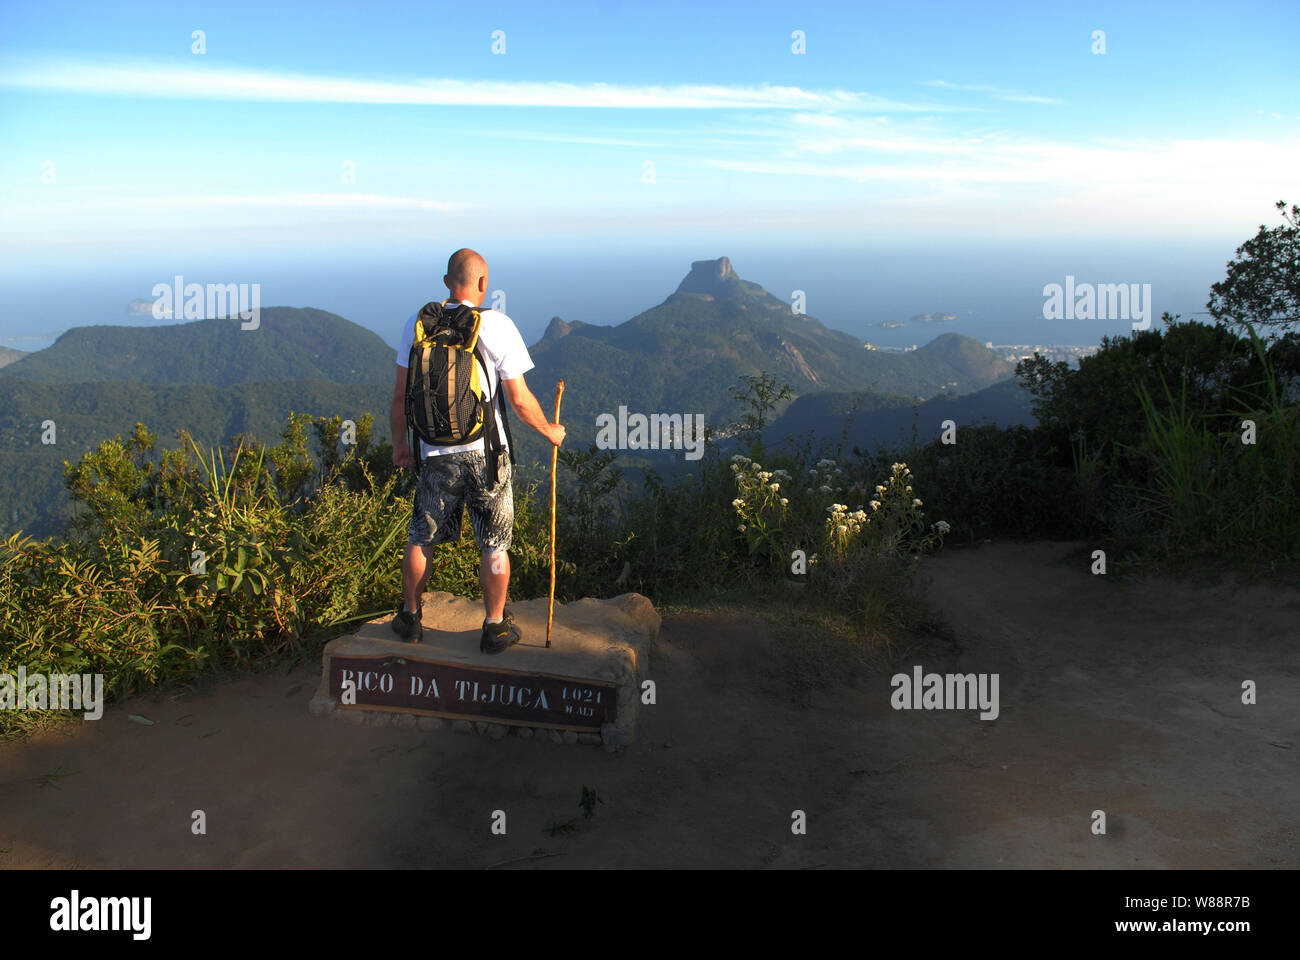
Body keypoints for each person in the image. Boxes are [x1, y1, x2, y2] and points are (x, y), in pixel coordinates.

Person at [390, 248, 565, 652]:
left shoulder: (417, 325)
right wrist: (549, 431)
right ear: (483, 284)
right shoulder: (497, 324)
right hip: (487, 456)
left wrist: (401, 445)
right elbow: (519, 400)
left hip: (434, 452)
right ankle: (495, 626)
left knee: (422, 537)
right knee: (495, 543)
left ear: (447, 281)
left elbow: (400, 396)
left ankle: (411, 617)